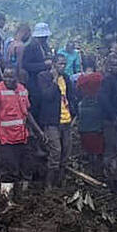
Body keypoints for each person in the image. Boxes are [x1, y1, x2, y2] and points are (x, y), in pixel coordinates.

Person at [0, 67, 42, 204]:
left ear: (17, 78)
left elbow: (27, 113)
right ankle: (6, 201)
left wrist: (38, 131)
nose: (8, 80)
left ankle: (22, 198)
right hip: (4, 138)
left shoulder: (23, 90)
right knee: (9, 169)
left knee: (26, 167)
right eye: (5, 77)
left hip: (22, 136)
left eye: (11, 77)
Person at [37, 54, 76, 188]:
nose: (63, 67)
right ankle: (48, 183)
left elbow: (71, 96)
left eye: (64, 64)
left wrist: (74, 113)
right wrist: (54, 79)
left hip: (66, 120)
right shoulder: (43, 77)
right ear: (53, 64)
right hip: (52, 121)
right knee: (56, 151)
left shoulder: (66, 78)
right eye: (60, 64)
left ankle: (61, 180)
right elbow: (46, 96)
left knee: (66, 151)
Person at [76, 55, 104, 174]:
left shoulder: (81, 79)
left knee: (86, 135)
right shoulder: (99, 77)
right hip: (97, 107)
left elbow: (77, 93)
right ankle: (98, 167)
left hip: (84, 108)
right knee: (97, 136)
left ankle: (90, 164)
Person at [22, 22, 53, 118]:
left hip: (45, 81)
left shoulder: (45, 46)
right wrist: (43, 65)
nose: (45, 38)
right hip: (34, 82)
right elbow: (26, 65)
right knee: (35, 106)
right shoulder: (30, 47)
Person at [99, 55, 117, 177]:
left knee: (115, 145)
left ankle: (113, 172)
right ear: (109, 67)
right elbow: (104, 100)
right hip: (109, 119)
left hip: (113, 117)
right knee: (111, 146)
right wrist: (113, 117)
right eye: (114, 65)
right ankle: (109, 173)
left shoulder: (115, 79)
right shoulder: (108, 80)